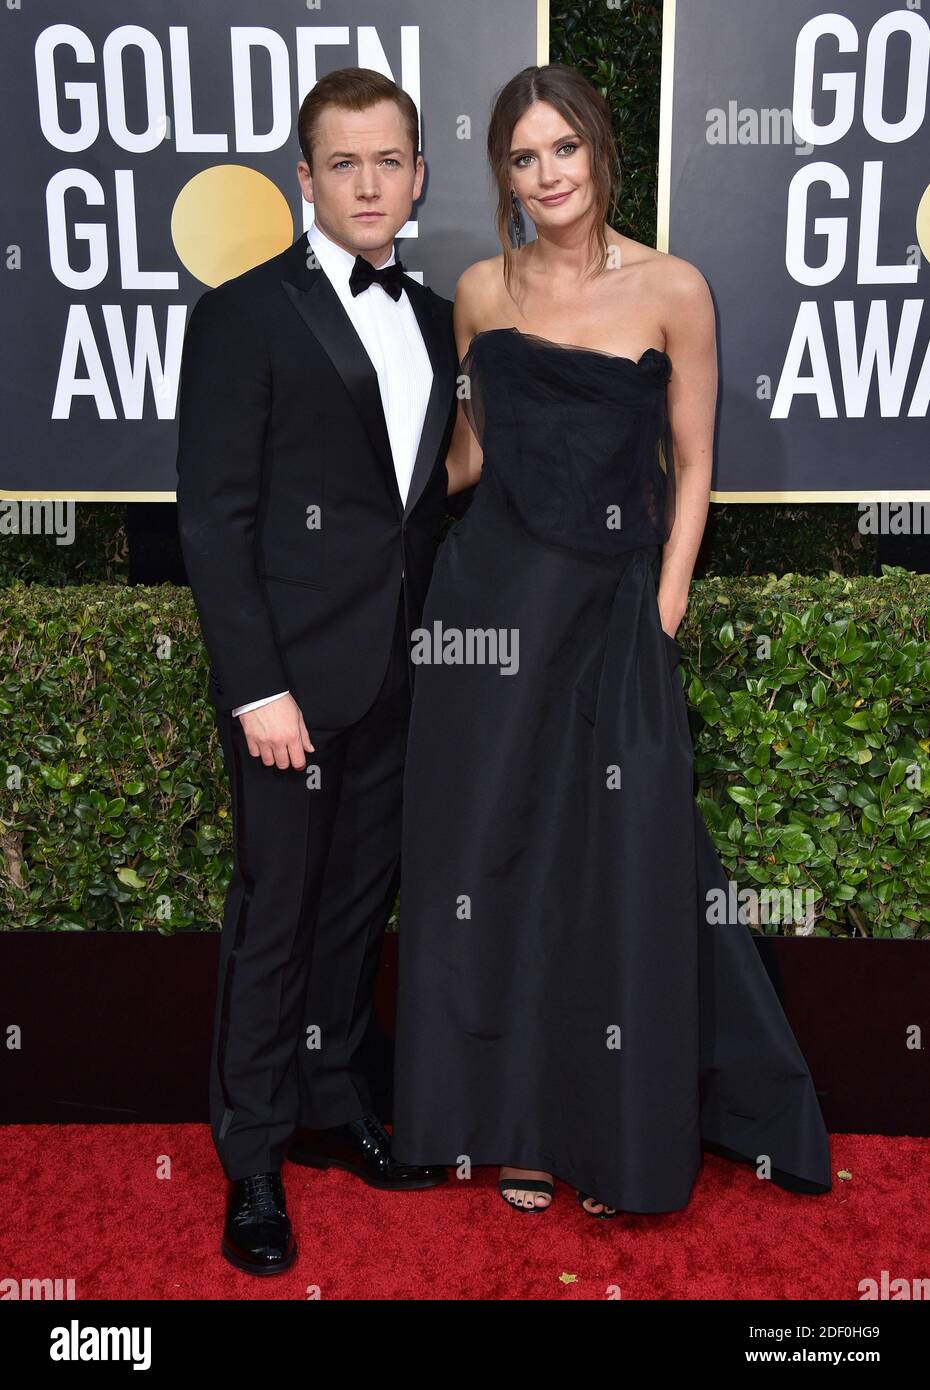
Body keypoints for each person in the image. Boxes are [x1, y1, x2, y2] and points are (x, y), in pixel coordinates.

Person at [390, 63, 833, 1218]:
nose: (547, 176)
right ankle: (520, 1124)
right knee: (492, 861)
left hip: (610, 610)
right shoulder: (481, 292)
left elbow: (694, 466)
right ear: (505, 175)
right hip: (487, 609)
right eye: (523, 159)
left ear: (600, 149)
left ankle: (612, 1123)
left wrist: (665, 606)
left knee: (610, 866)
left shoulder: (675, 288)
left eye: (563, 151)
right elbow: (475, 460)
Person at [176, 67, 458, 1274]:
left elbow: (424, 507)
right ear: (305, 178)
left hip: (403, 675)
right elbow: (216, 518)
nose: (367, 183)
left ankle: (335, 1105)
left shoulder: (441, 319)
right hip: (288, 687)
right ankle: (249, 1158)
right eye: (341, 163)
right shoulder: (243, 315)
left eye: (387, 161)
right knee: (274, 917)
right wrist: (256, 687)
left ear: (418, 177)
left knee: (355, 910)